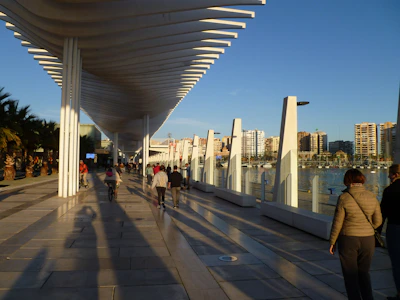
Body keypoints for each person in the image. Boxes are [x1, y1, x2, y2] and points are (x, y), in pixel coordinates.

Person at [329, 169, 382, 300]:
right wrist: (367, 229)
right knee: (364, 273)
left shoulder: (344, 197)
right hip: (368, 240)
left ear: (348, 180)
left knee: (350, 275)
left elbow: (337, 222)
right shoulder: (372, 196)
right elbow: (378, 221)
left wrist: (332, 241)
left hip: (348, 240)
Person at [379, 164, 400, 300]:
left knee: (397, 263)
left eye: (390, 174)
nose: (388, 176)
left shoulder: (389, 191)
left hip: (395, 228)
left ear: (395, 174)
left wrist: (377, 233)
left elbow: (382, 214)